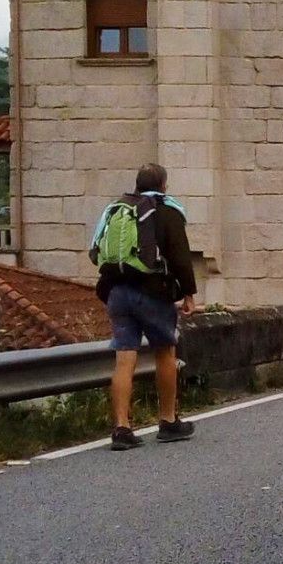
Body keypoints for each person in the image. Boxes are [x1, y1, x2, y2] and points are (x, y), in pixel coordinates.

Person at [91, 163, 197, 451]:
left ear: (137, 184)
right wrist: (188, 292)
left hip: (116, 290)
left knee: (125, 358)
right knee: (165, 351)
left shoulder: (116, 208)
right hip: (151, 291)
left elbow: (94, 251)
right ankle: (167, 421)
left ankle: (122, 428)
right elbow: (179, 255)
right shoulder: (167, 209)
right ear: (163, 184)